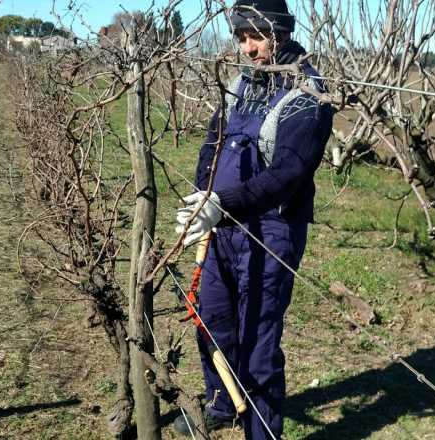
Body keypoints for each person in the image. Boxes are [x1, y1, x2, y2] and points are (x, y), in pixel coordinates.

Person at [173, 0, 333, 438]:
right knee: (212, 319)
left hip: (270, 231)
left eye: (256, 37)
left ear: (279, 32)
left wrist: (221, 204)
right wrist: (200, 197)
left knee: (257, 343)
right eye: (241, 38)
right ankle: (222, 404)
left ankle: (261, 432)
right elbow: (214, 141)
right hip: (222, 225)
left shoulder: (306, 93)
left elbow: (287, 175)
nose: (247, 48)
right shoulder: (243, 82)